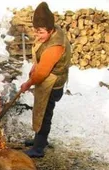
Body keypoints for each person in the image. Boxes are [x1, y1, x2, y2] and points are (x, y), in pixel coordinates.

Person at [20, 2, 71, 158]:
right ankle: (39, 140)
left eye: (41, 32)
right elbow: (40, 62)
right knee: (42, 112)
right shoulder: (50, 34)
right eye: (36, 31)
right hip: (47, 79)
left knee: (44, 113)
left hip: (52, 84)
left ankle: (38, 148)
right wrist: (34, 66)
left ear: (50, 29)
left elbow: (42, 73)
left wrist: (28, 84)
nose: (38, 35)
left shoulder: (55, 45)